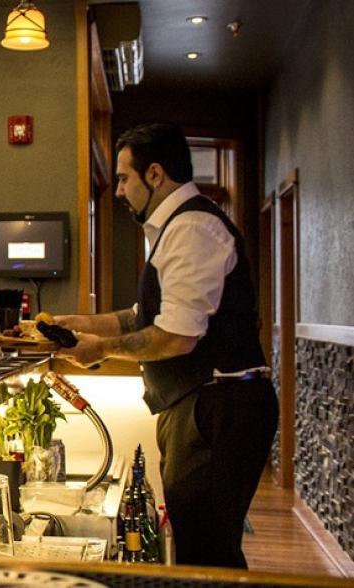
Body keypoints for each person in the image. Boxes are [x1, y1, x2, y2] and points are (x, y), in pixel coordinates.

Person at [54, 123, 277, 569]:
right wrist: (71, 324)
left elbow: (176, 337)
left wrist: (99, 350)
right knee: (202, 546)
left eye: (123, 178)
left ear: (154, 174)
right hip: (205, 405)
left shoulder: (192, 227)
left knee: (207, 556)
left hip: (218, 407)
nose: (118, 191)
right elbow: (142, 316)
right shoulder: (176, 227)